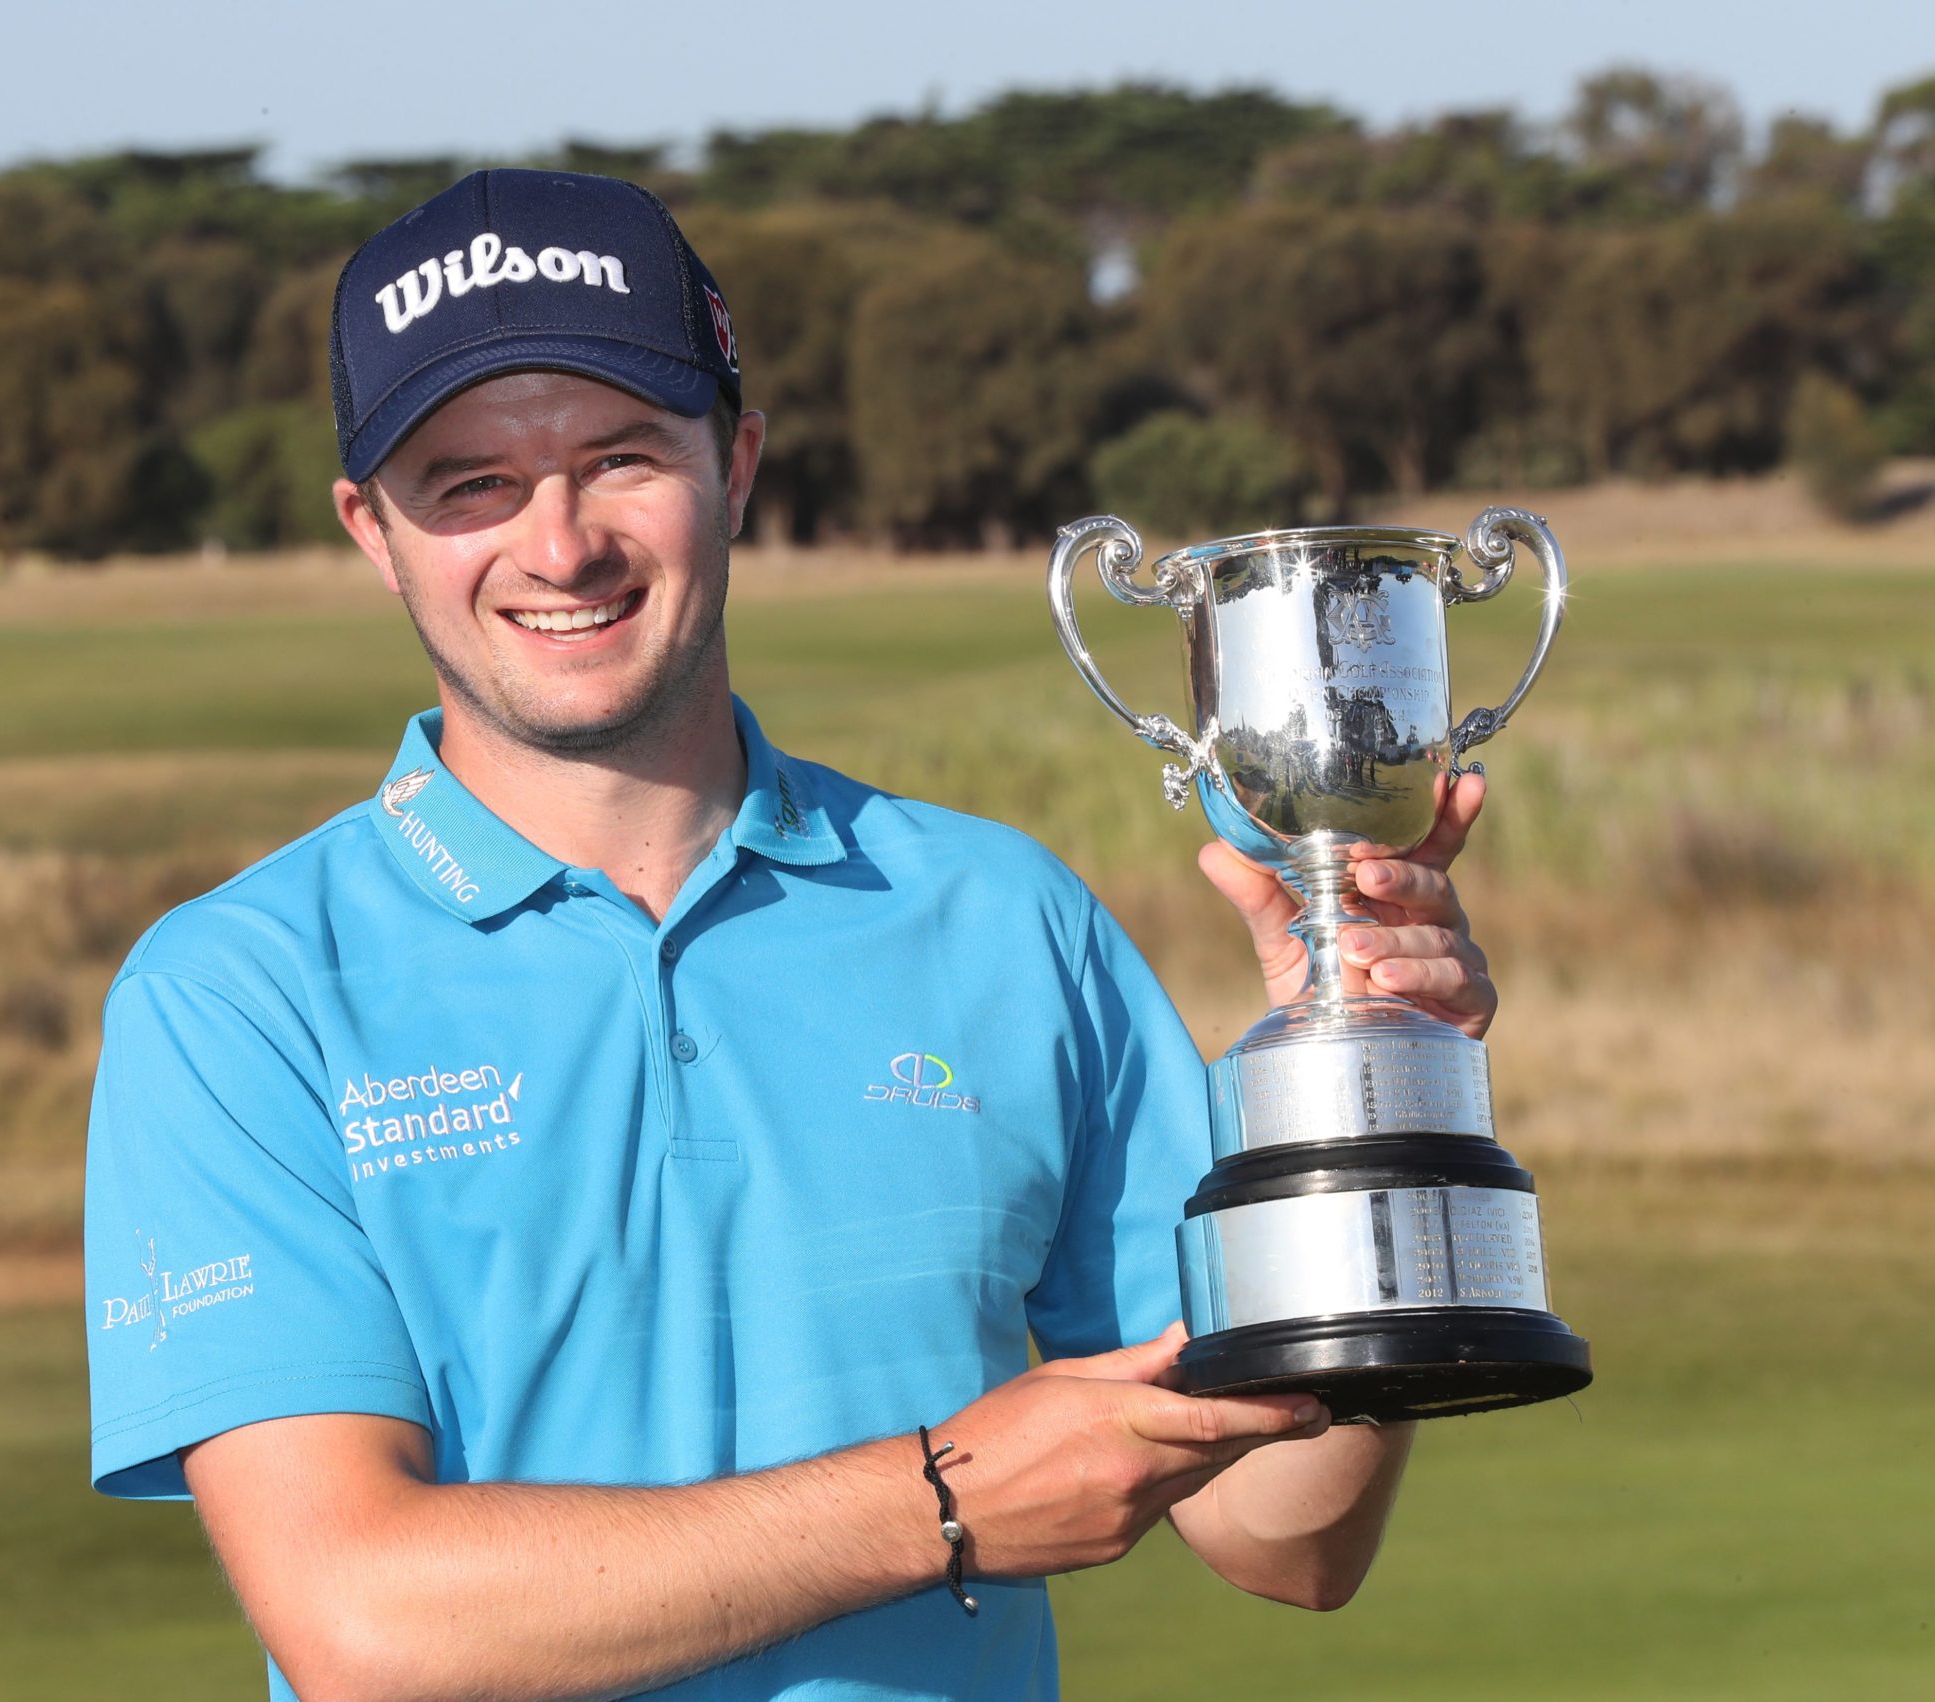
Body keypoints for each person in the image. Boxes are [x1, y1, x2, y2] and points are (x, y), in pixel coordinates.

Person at [83, 169, 1498, 1702]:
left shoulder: (1001, 917)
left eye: (621, 457)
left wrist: (1375, 1107)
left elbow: (1284, 1534)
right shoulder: (239, 993)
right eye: (470, 484)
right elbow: (363, 1617)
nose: (558, 545)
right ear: (375, 529)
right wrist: (937, 1501)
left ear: (737, 462)